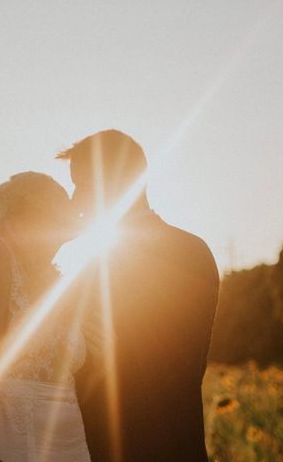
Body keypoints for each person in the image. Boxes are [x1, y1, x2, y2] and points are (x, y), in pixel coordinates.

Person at [58, 129, 220, 461]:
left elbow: (155, 363)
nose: (74, 200)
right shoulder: (191, 249)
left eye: (82, 186)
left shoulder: (167, 255)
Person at [0, 171, 91, 462]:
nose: (71, 206)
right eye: (60, 200)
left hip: (66, 440)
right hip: (13, 437)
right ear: (24, 216)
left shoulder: (56, 282)